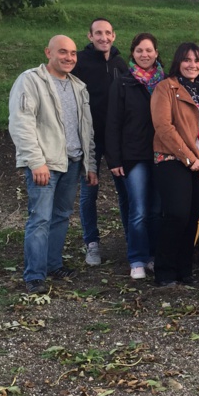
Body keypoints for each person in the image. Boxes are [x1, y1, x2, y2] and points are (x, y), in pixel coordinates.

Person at [9, 36, 98, 294]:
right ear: (48, 52)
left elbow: (87, 129)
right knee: (40, 218)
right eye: (63, 52)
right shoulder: (31, 81)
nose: (69, 57)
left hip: (72, 162)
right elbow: (21, 123)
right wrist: (35, 162)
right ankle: (34, 275)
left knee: (61, 216)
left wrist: (90, 164)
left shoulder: (78, 87)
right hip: (45, 164)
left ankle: (52, 264)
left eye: (73, 53)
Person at [151, 42, 199, 287]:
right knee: (176, 215)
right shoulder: (165, 88)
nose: (193, 65)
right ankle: (164, 271)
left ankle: (185, 270)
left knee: (192, 218)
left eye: (197, 60)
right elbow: (164, 127)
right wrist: (191, 159)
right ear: (178, 62)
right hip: (173, 160)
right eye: (187, 60)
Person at [106, 33, 165, 280]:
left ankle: (153, 255)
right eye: (139, 50)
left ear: (156, 53)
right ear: (133, 53)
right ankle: (137, 258)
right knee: (138, 209)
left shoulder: (165, 83)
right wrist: (114, 159)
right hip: (134, 156)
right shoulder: (123, 83)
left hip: (161, 154)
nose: (144, 54)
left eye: (149, 50)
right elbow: (113, 122)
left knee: (156, 210)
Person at [72, 17, 129, 266]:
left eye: (107, 33)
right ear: (90, 36)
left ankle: (131, 238)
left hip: (116, 138)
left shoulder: (120, 63)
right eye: (98, 33)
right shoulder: (80, 62)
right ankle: (92, 243)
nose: (103, 37)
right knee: (89, 192)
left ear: (113, 36)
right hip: (90, 138)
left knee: (125, 191)